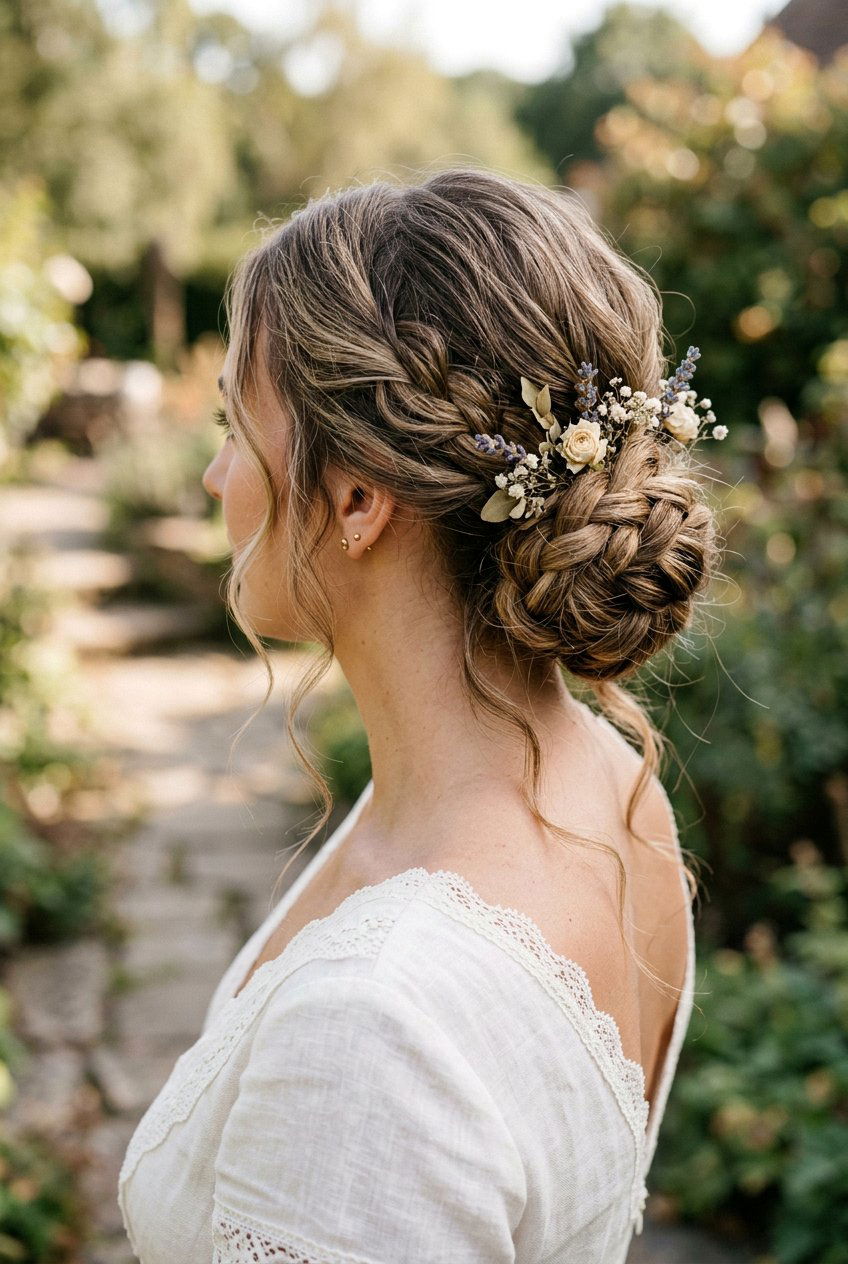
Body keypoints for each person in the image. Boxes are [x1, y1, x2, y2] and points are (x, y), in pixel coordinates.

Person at [118, 167, 724, 1263]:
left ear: (354, 498)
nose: (212, 476)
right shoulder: (603, 781)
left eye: (230, 424)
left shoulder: (372, 1032)